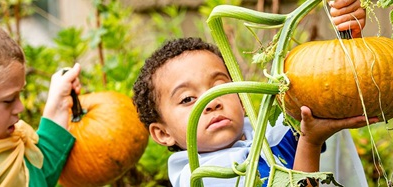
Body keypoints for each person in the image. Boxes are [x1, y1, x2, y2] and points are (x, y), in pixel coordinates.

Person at [132, 0, 371, 186]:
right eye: (187, 99)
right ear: (162, 133)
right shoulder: (202, 178)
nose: (212, 102)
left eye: (220, 87)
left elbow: (337, 90)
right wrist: (310, 142)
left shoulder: (271, 135)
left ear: (241, 97)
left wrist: (348, 33)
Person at [0, 13, 81, 187]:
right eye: (8, 100)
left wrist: (59, 104)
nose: (21, 107)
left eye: (20, 94)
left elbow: (37, 174)